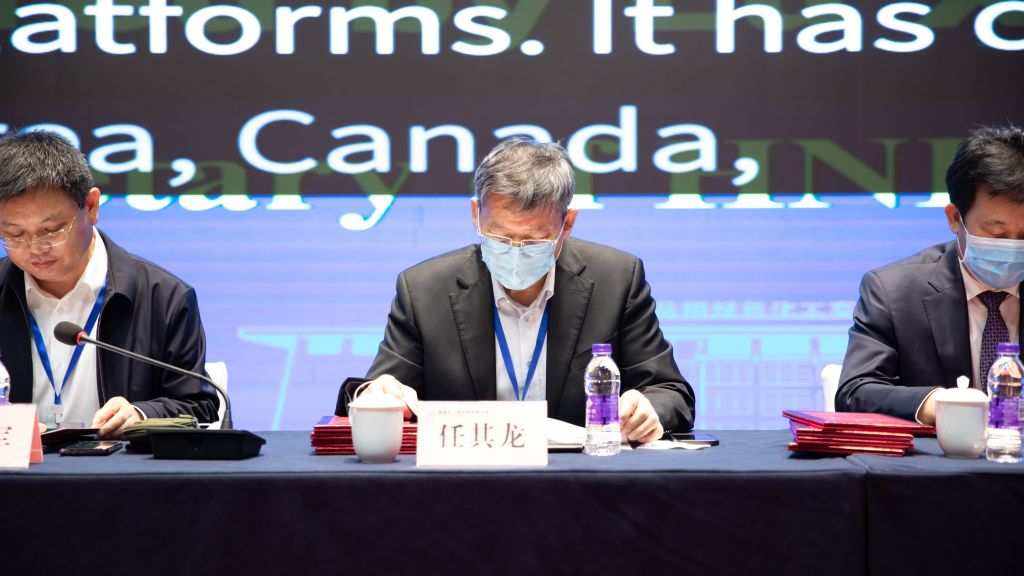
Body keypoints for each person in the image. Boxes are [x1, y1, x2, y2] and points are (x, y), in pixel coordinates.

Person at [356, 137, 695, 443]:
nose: (515, 252)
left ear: (567, 223)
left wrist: (648, 408)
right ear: (475, 214)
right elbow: (378, 392)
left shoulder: (617, 280)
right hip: (464, 477)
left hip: (581, 476)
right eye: (500, 237)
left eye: (534, 240)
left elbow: (670, 392)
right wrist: (378, 394)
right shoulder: (424, 290)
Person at [0, 130, 218, 438]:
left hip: (118, 465)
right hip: (18, 467)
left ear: (91, 206)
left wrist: (141, 415)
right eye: (15, 234)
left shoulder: (164, 297)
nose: (35, 248)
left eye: (51, 230)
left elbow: (198, 405)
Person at [837, 125, 1024, 424]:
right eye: (996, 233)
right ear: (955, 218)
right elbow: (856, 392)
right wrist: (937, 405)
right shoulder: (893, 292)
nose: (1013, 247)